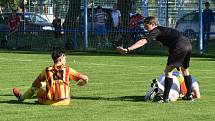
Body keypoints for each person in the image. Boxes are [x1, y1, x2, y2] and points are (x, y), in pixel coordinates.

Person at [117, 16, 193, 103]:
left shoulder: (156, 30)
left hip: (179, 46)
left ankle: (165, 98)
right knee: (185, 70)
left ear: (153, 24)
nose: (146, 29)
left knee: (168, 71)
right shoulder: (162, 30)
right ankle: (189, 95)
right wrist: (178, 61)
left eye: (147, 27)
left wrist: (128, 49)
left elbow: (143, 41)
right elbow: (173, 42)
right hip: (188, 45)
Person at [12, 49, 89, 105]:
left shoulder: (47, 70)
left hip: (50, 102)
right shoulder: (68, 70)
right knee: (47, 85)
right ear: (61, 58)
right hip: (65, 102)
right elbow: (85, 78)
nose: (65, 60)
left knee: (34, 89)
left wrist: (42, 85)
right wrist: (81, 83)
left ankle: (21, 98)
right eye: (65, 58)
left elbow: (34, 84)